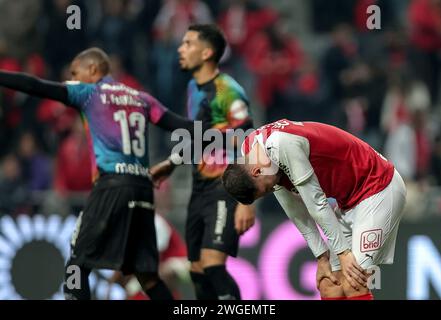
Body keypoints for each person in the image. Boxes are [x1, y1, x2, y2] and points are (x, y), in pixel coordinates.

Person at [0, 47, 199, 300]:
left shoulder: (89, 93)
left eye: (75, 72)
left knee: (76, 266)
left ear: (93, 70)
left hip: (111, 186)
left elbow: (35, 86)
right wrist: (178, 158)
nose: (71, 78)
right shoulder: (142, 99)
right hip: (142, 190)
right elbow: (185, 128)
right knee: (147, 277)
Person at [222, 119, 407, 300]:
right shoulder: (253, 155)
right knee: (330, 286)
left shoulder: (281, 144)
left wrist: (343, 253)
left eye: (266, 190)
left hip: (377, 187)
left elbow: (316, 202)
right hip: (348, 202)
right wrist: (321, 256)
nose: (272, 190)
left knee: (354, 282)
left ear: (256, 172)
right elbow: (294, 210)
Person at [150, 24, 255, 300]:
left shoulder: (228, 90)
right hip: (199, 188)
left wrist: (247, 200)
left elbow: (249, 140)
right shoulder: (193, 88)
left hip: (225, 186)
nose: (180, 49)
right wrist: (172, 163)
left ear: (207, 53)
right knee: (196, 270)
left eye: (187, 43)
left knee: (212, 266)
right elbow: (199, 135)